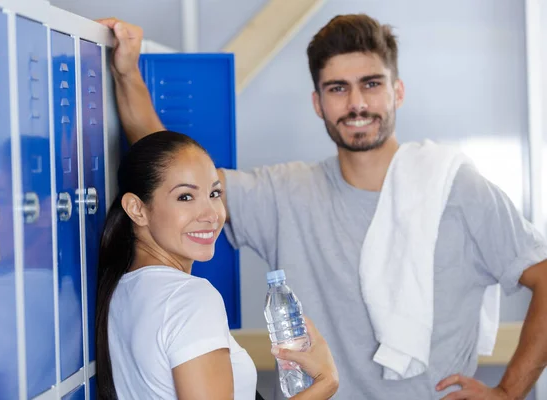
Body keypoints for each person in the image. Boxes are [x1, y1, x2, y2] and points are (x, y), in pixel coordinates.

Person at [98, 13, 547, 400]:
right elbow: (169, 172)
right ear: (318, 102)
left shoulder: (457, 188)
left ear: (398, 91)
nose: (356, 103)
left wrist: (509, 392)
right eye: (337, 88)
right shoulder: (285, 192)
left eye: (371, 84)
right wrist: (127, 73)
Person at [95, 131, 339, 399]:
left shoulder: (122, 290)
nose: (212, 214)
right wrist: (324, 384)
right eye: (185, 197)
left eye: (214, 193)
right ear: (137, 209)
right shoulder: (191, 298)